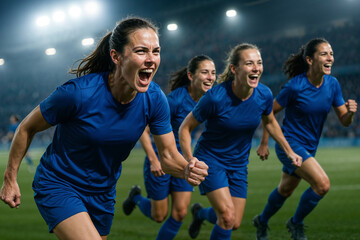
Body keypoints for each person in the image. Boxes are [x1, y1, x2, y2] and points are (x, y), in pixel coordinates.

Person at [0, 17, 208, 240]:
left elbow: (167, 155)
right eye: (141, 51)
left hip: (103, 193)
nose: (151, 59)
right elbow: (25, 128)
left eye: (155, 51)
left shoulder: (155, 98)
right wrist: (10, 179)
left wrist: (186, 169)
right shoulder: (78, 93)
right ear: (116, 56)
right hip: (60, 184)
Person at [179, 43, 302, 240]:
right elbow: (185, 128)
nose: (256, 68)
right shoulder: (215, 97)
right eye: (249, 63)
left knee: (233, 222)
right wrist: (189, 159)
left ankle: (201, 213)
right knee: (227, 217)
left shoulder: (264, 95)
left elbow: (270, 122)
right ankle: (206, 214)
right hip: (211, 160)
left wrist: (289, 151)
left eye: (259, 63)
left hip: (238, 164)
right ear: (234, 69)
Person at [253, 38, 358, 240]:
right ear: (310, 60)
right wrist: (264, 142)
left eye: (332, 54)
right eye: (324, 54)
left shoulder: (333, 84)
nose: (330, 58)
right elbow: (269, 112)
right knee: (322, 185)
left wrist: (351, 113)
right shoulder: (294, 86)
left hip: (309, 147)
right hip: (289, 145)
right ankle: (296, 223)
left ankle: (262, 220)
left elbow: (344, 120)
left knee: (284, 190)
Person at [122, 55, 216, 240]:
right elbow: (144, 129)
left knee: (180, 213)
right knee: (159, 215)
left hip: (184, 161)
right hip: (162, 159)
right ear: (191, 76)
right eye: (205, 72)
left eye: (213, 73)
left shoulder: (208, 100)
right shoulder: (175, 100)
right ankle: (136, 197)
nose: (211, 77)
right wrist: (153, 158)